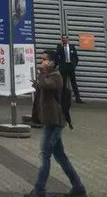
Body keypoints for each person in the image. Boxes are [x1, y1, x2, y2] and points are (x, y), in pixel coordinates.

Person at [25, 50, 86, 197]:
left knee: (44, 155)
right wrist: (37, 84)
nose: (42, 62)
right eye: (42, 59)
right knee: (60, 156)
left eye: (45, 59)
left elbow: (47, 86)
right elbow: (43, 88)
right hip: (50, 121)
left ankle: (39, 190)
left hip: (55, 122)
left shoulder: (56, 76)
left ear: (52, 62)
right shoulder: (48, 76)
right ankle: (78, 187)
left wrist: (41, 73)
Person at [56, 35, 82, 103]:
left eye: (65, 38)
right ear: (62, 40)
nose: (64, 39)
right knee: (63, 84)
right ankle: (63, 99)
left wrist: (74, 65)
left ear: (68, 39)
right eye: (63, 38)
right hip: (63, 67)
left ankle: (78, 99)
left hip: (70, 66)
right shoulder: (59, 47)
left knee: (74, 83)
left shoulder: (72, 47)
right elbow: (57, 57)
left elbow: (76, 57)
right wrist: (60, 66)